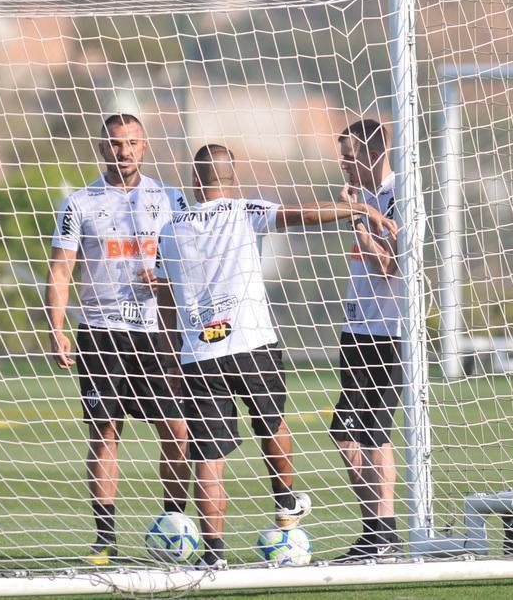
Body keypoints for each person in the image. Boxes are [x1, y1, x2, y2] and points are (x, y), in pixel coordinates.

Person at [154, 144, 397, 568]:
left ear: (194, 181)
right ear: (233, 178)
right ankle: (285, 500)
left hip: (199, 352)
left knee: (209, 457)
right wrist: (360, 210)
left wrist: (175, 352)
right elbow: (302, 215)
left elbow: (165, 296)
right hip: (253, 344)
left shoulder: (170, 228)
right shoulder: (245, 209)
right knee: (272, 423)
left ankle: (213, 556)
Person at [43, 113, 191, 566]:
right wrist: (57, 327)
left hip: (157, 333)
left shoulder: (169, 198)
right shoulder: (80, 203)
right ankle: (104, 539)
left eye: (131, 143)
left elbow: (192, 261)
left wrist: (165, 284)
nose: (123, 151)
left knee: (177, 429)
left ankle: (173, 523)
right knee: (105, 433)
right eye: (114, 143)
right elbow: (61, 269)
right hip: (100, 333)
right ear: (101, 148)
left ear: (144, 146)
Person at [331, 119, 405, 561]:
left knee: (375, 433)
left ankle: (386, 536)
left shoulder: (399, 197)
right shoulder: (362, 199)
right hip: (356, 328)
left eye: (350, 155)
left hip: (388, 334)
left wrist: (360, 221)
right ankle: (375, 531)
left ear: (374, 154)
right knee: (344, 432)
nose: (343, 164)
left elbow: (388, 267)